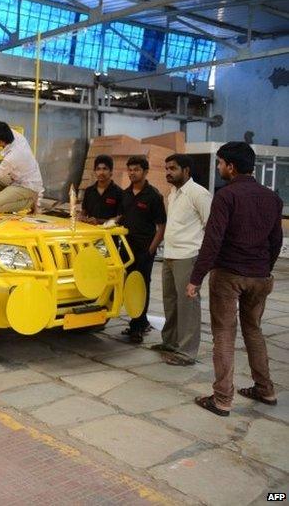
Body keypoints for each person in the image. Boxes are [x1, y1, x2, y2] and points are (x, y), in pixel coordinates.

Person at [187, 142, 282, 416]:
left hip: (229, 276)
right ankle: (265, 389)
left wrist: (196, 278)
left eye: (220, 163)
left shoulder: (227, 196)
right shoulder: (272, 197)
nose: (218, 168)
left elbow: (212, 242)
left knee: (224, 335)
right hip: (260, 277)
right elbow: (276, 241)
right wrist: (264, 267)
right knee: (254, 331)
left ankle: (222, 399)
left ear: (231, 166)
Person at [154, 154, 211, 366]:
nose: (168, 172)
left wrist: (202, 258)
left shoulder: (199, 194)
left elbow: (211, 226)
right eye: (166, 168)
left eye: (173, 168)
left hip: (188, 257)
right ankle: (170, 342)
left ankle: (187, 352)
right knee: (170, 302)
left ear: (186, 170)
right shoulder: (173, 193)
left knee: (188, 304)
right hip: (169, 255)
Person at [121, 155, 166, 343]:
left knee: (141, 286)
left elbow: (161, 226)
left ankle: (138, 327)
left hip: (143, 250)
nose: (132, 173)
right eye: (130, 169)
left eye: (136, 169)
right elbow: (122, 217)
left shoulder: (154, 196)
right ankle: (138, 321)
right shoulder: (125, 194)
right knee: (128, 285)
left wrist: (150, 251)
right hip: (126, 249)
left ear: (145, 172)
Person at [80, 154, 123, 224]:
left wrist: (98, 221)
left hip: (109, 233)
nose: (101, 172)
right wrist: (81, 217)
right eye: (98, 169)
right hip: (90, 232)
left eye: (105, 169)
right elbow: (84, 212)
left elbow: (118, 218)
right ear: (95, 172)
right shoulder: (89, 191)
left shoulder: (119, 193)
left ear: (111, 172)